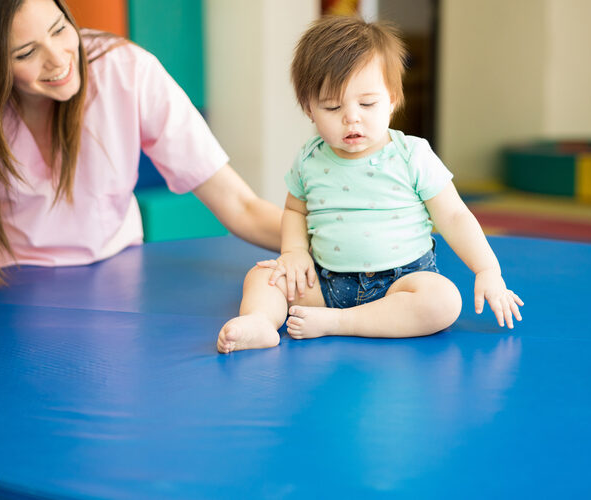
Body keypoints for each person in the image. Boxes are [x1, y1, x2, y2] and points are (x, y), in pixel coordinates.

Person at [0, 0, 281, 284]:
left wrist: (314, 241)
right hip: (11, 290)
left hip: (118, 277)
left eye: (59, 28)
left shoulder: (127, 71)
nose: (59, 59)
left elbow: (241, 205)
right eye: (26, 53)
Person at [216, 16, 523, 353]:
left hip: (402, 282)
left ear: (392, 99)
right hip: (327, 283)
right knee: (263, 277)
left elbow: (454, 216)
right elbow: (294, 210)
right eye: (332, 106)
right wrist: (294, 252)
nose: (352, 117)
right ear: (309, 109)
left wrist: (486, 269)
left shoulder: (412, 155)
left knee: (443, 300)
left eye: (367, 103)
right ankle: (260, 322)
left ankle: (338, 322)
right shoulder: (309, 159)